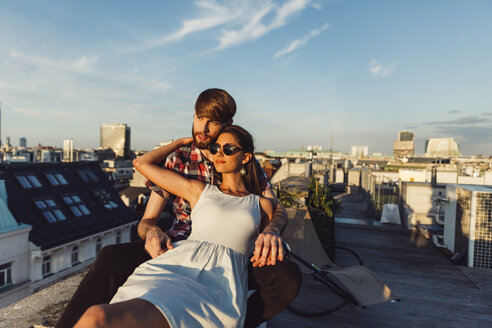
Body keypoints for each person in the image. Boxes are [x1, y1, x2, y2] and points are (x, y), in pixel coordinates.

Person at [55, 89, 301, 328]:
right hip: (176, 246)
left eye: (212, 122)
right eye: (199, 117)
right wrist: (152, 233)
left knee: (287, 278)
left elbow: (274, 207)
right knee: (111, 257)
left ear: (227, 124)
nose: (202, 128)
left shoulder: (241, 157)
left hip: (235, 252)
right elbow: (148, 218)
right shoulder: (179, 158)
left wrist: (273, 230)